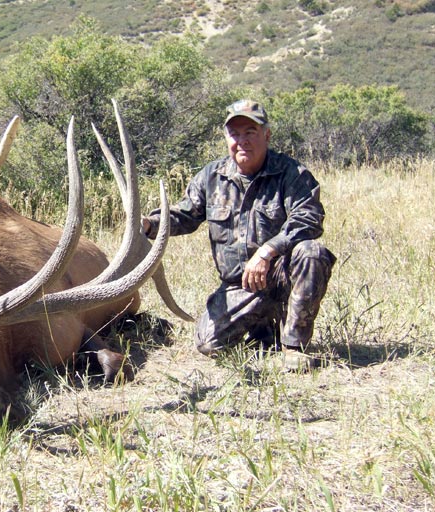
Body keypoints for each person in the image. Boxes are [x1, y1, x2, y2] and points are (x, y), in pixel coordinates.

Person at [141, 99, 335, 371]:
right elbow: (185, 215)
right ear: (226, 138)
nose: (241, 140)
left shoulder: (292, 173)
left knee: (312, 253)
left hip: (281, 279)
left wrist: (268, 251)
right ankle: (263, 329)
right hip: (240, 286)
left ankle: (293, 346)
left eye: (250, 132)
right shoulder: (212, 176)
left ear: (266, 135)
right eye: (235, 134)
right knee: (208, 343)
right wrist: (150, 224)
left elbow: (309, 218)